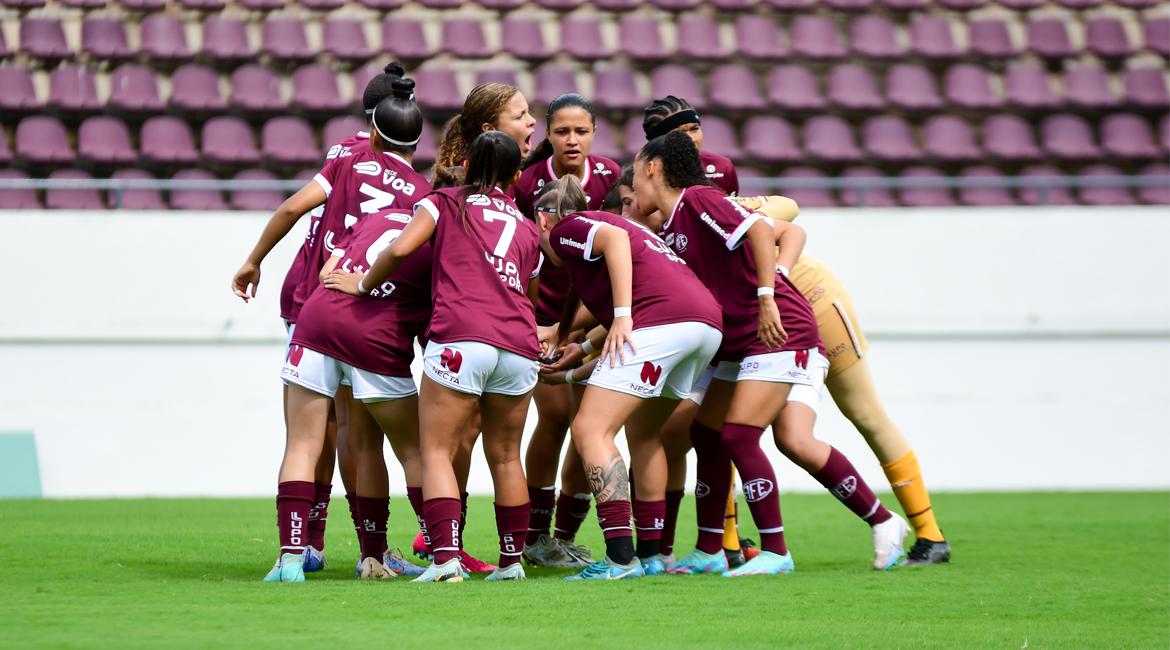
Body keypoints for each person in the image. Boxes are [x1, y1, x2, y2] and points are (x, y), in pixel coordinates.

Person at [618, 174, 951, 566]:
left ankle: (792, 546)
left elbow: (784, 225)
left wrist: (772, 287)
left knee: (766, 436)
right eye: (621, 204)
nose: (628, 208)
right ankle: (711, 549)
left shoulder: (698, 202)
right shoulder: (667, 235)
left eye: (630, 197)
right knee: (707, 433)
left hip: (785, 328)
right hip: (742, 342)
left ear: (656, 173)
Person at [234, 78, 430, 582]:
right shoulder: (423, 194)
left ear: (372, 127)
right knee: (360, 435)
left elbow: (293, 207)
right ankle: (377, 551)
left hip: (314, 302)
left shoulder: (344, 157)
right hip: (371, 312)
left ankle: (298, 551)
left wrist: (253, 260)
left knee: (308, 434)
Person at [328, 131, 541, 583]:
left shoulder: (445, 201)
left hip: (463, 336)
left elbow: (402, 248)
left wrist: (362, 283)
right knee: (506, 456)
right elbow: (529, 289)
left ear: (465, 165)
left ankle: (446, 561)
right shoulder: (526, 226)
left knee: (437, 451)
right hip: (520, 346)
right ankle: (512, 563)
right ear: (517, 175)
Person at [534, 175, 724, 580]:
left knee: (589, 428)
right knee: (644, 431)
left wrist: (621, 317)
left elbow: (615, 251)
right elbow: (587, 294)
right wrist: (573, 342)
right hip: (705, 326)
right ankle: (652, 553)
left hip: (664, 324)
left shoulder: (572, 225)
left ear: (543, 221)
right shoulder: (613, 239)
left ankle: (620, 558)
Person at [512, 93, 621, 568]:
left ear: (594, 133)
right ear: (549, 135)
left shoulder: (612, 177)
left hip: (595, 322)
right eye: (562, 131)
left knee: (587, 427)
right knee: (556, 419)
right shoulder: (528, 183)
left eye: (581, 131)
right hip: (543, 323)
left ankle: (562, 534)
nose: (572, 140)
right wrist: (536, 324)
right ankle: (535, 536)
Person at [432, 82, 537, 184]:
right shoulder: (462, 184)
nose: (532, 120)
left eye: (528, 112)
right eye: (519, 116)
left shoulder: (527, 174)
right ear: (490, 130)